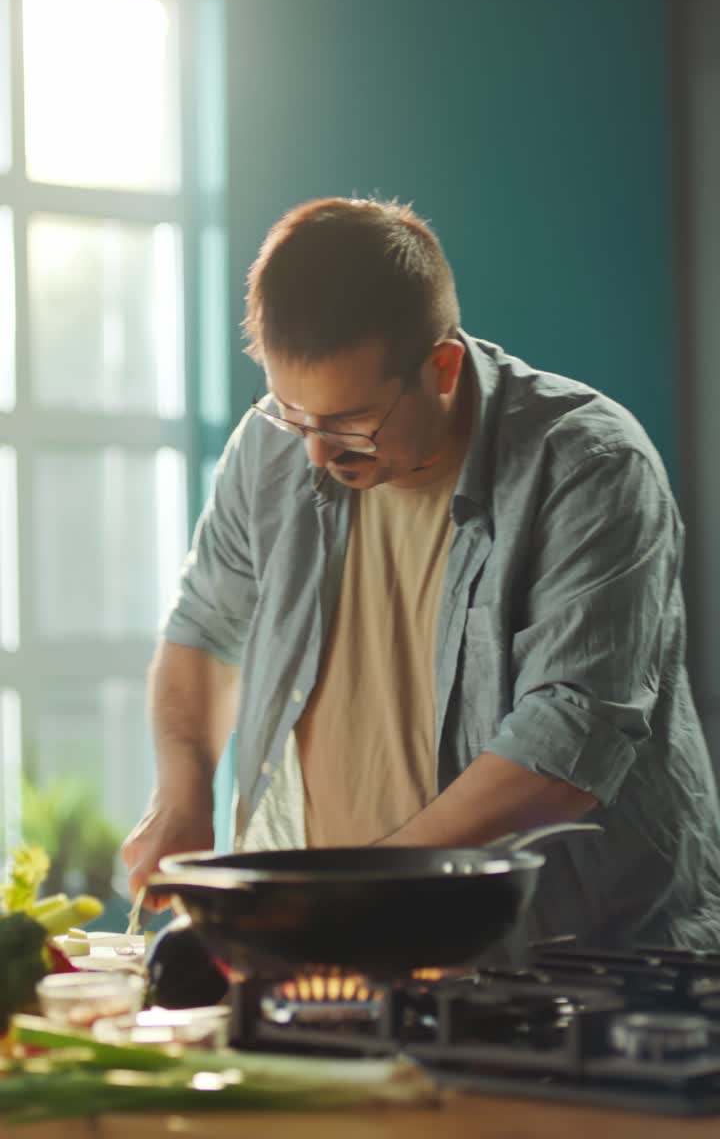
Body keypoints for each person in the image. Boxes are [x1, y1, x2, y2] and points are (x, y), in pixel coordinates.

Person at [122, 196, 720, 954]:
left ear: (441, 367)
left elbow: (566, 743)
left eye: (349, 421)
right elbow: (206, 632)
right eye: (292, 412)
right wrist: (182, 793)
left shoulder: (591, 465)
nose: (316, 453)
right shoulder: (270, 446)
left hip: (566, 964)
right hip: (334, 960)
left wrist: (356, 895)